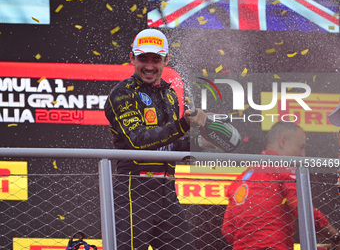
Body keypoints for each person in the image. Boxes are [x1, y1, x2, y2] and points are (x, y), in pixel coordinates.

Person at [104, 28, 207, 250]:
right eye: (143, 58)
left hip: (167, 190)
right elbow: (137, 140)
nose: (149, 66)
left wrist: (202, 144)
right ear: (132, 58)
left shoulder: (169, 95)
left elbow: (168, 147)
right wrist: (183, 125)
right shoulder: (122, 93)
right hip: (133, 191)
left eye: (156, 59)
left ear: (166, 60)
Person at [221, 121, 340, 250]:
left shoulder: (239, 180)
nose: (303, 154)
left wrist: (252, 238)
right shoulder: (281, 169)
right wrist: (335, 237)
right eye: (301, 147)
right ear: (282, 142)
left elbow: (228, 231)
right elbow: (303, 210)